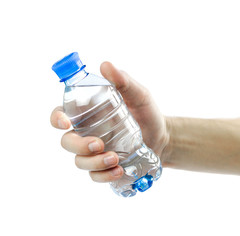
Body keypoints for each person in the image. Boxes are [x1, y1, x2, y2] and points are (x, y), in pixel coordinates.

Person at [50, 62, 240, 182]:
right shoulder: (81, 93)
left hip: (139, 157)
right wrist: (166, 140)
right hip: (139, 158)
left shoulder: (93, 85)